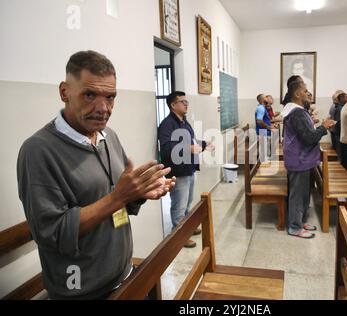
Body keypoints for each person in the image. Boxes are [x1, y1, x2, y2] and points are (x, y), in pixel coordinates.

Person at [16, 51, 175, 299]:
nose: (103, 108)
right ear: (64, 92)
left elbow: (117, 197)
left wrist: (138, 193)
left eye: (110, 97)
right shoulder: (37, 151)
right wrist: (118, 197)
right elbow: (52, 233)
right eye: (89, 95)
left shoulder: (108, 136)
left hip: (124, 275)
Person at [158, 91, 214, 248]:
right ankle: (179, 236)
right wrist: (189, 147)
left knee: (188, 202)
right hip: (178, 171)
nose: (186, 104)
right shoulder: (167, 124)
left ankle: (186, 228)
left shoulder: (184, 122)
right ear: (173, 105)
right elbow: (167, 148)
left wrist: (205, 144)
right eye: (182, 101)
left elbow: (193, 142)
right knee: (179, 205)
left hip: (189, 168)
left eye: (186, 101)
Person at [283, 79, 335, 238]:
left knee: (304, 194)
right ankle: (294, 227)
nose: (308, 94)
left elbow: (305, 132)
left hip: (303, 159)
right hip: (299, 159)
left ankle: (300, 220)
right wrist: (324, 127)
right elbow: (308, 137)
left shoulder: (298, 111)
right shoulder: (296, 112)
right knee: (297, 195)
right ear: (297, 94)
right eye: (305, 91)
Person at [329, 90, 347, 160]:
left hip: (334, 129)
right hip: (337, 130)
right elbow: (339, 121)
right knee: (339, 150)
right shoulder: (339, 107)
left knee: (336, 149)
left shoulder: (333, 106)